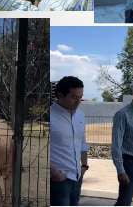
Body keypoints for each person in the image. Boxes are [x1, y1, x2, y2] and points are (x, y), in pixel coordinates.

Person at [50, 76, 89, 206]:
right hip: (58, 180)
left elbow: (82, 143)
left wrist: (84, 166)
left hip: (77, 177)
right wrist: (53, 172)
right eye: (73, 97)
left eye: (80, 97)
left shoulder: (81, 115)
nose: (78, 102)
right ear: (60, 95)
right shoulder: (50, 116)